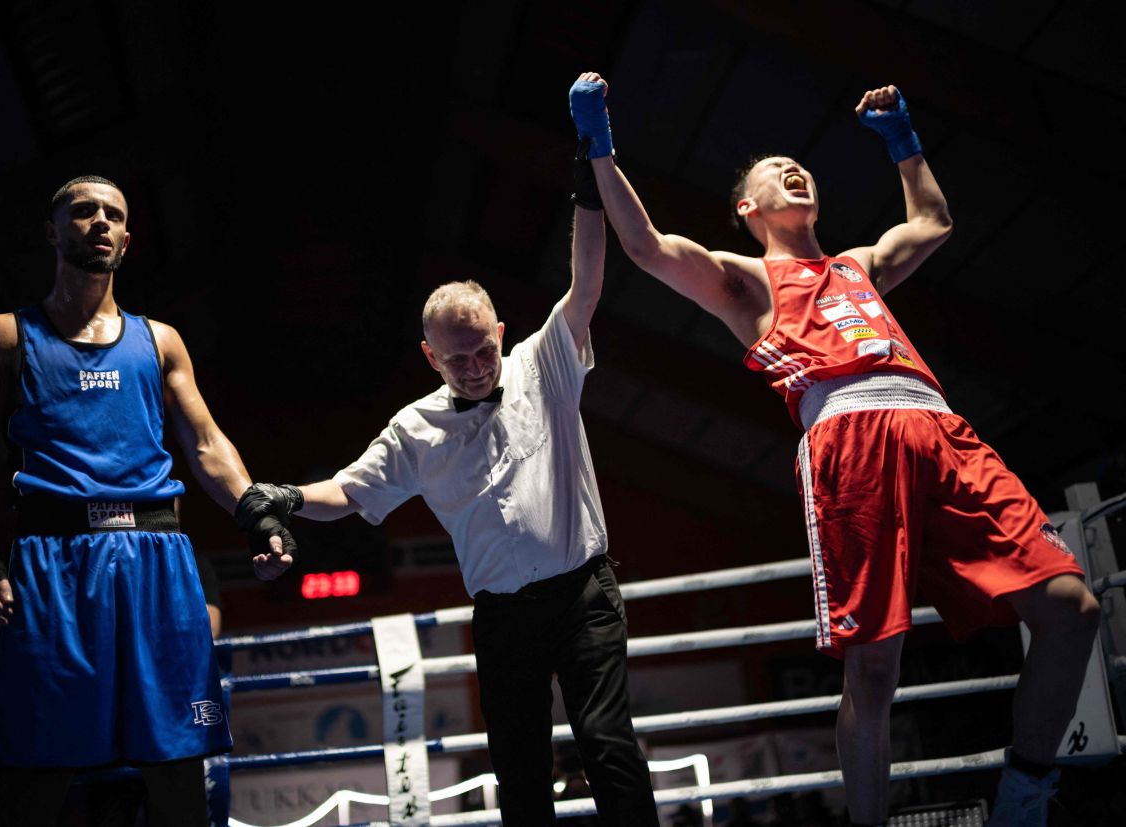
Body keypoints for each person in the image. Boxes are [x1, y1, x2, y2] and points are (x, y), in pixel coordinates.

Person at [568, 71, 1101, 827]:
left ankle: (1025, 797)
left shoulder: (859, 265)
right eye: (775, 172)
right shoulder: (747, 282)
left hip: (942, 431)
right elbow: (644, 246)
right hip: (850, 441)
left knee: (1071, 608)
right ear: (749, 209)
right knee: (875, 661)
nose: (796, 170)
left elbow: (934, 222)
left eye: (802, 167)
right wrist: (599, 148)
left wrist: (904, 143)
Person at [250, 146, 660, 825]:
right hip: (503, 616)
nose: (474, 367)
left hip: (584, 591)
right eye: (457, 357)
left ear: (501, 332)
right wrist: (288, 496)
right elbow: (351, 490)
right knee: (521, 773)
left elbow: (584, 284)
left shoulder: (544, 362)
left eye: (483, 350)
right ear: (429, 356)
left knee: (608, 745)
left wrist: (589, 191)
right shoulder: (415, 427)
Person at [0, 175, 297, 827]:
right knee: (37, 776)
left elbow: (206, 441)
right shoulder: (7, 334)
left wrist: (254, 508)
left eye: (113, 214)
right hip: (53, 562)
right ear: (53, 231)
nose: (99, 221)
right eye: (83, 211)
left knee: (177, 772)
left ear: (128, 240)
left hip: (157, 562)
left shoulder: (160, 340)